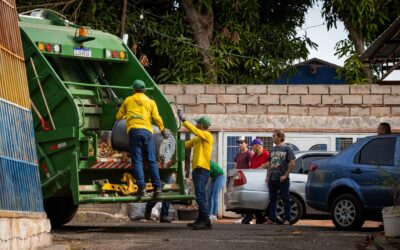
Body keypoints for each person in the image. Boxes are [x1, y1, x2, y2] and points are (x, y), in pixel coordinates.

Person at [116, 79, 170, 198]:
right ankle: (158, 188)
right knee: (152, 160)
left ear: (134, 90)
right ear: (144, 90)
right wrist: (162, 129)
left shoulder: (128, 100)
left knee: (137, 161)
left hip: (134, 132)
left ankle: (142, 189)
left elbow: (118, 117)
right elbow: (157, 117)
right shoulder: (150, 102)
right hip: (147, 132)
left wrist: (128, 115)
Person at [177, 109, 213, 230]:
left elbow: (194, 130)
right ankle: (200, 219)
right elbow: (186, 144)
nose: (196, 124)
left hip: (202, 170)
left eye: (198, 123)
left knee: (201, 195)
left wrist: (184, 120)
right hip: (198, 170)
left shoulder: (207, 135)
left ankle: (206, 221)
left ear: (202, 125)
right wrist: (172, 140)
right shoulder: (198, 139)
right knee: (199, 195)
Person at [265, 130, 295, 225]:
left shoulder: (287, 149)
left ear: (280, 137)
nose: (272, 138)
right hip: (272, 178)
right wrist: (267, 176)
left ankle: (287, 219)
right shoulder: (273, 150)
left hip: (282, 179)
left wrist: (285, 175)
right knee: (272, 199)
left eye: (274, 136)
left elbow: (292, 163)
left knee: (285, 199)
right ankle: (272, 219)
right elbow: (270, 164)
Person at [241, 138, 269, 224]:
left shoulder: (266, 154)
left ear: (257, 146)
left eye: (252, 147)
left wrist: (262, 167)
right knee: (253, 200)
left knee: (255, 200)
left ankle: (248, 219)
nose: (252, 149)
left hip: (263, 181)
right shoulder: (254, 156)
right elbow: (252, 169)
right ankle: (260, 219)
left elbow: (270, 164)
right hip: (254, 181)